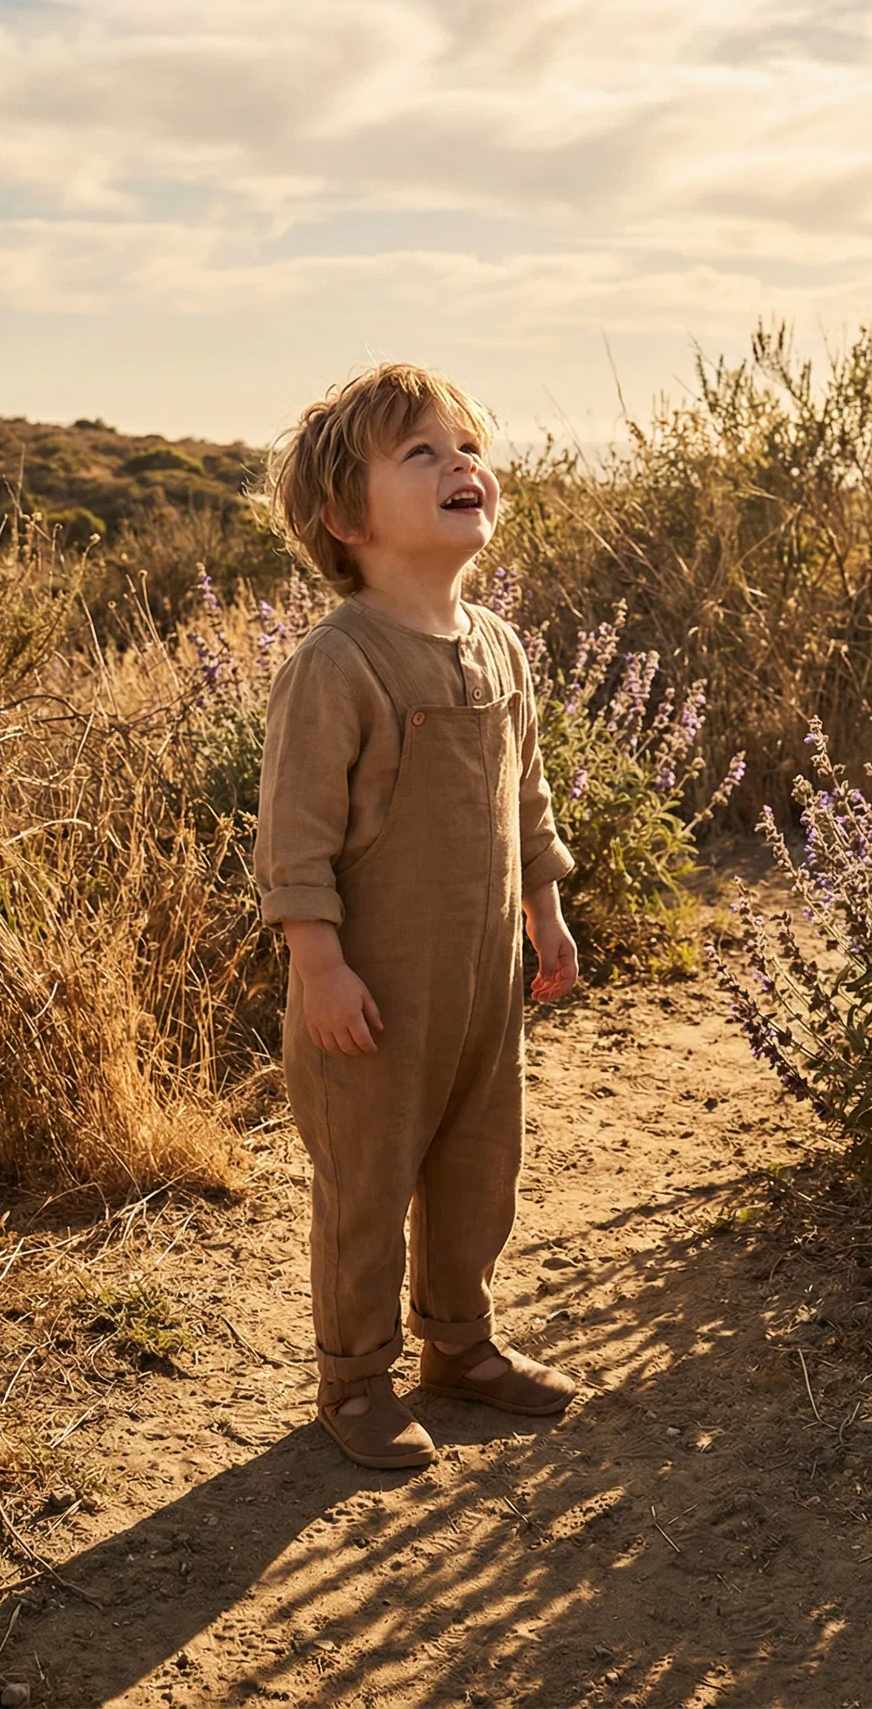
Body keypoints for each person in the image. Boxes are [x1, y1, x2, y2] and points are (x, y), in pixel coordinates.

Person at [254, 362, 581, 1470]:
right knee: (369, 1185)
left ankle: (461, 1347)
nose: (461, 467)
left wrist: (545, 909)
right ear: (347, 519)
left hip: (481, 983)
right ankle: (353, 1378)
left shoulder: (499, 647)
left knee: (480, 1166)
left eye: (466, 447)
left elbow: (524, 794)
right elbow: (294, 840)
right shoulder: (337, 663)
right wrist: (321, 968)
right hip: (372, 999)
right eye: (422, 453)